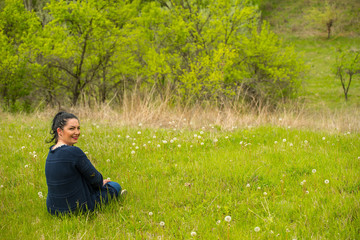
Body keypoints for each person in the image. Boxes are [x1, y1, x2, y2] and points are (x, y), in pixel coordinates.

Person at [45, 111, 126, 215]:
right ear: (60, 131)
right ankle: (118, 196)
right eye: (71, 128)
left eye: (78, 128)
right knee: (114, 185)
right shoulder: (74, 152)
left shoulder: (51, 152)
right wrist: (102, 182)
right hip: (78, 209)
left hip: (53, 209)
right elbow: (96, 179)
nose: (77, 132)